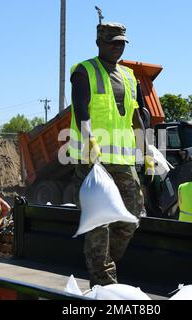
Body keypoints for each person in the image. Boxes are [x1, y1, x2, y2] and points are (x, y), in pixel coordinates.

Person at [69, 22, 153, 287]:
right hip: (91, 158)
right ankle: (104, 283)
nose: (117, 46)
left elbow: (136, 115)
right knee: (99, 221)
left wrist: (146, 150)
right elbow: (80, 107)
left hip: (122, 160)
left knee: (132, 216)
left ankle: (104, 266)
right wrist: (89, 137)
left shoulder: (129, 76)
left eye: (121, 43)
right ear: (98, 42)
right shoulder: (84, 70)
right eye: (112, 42)